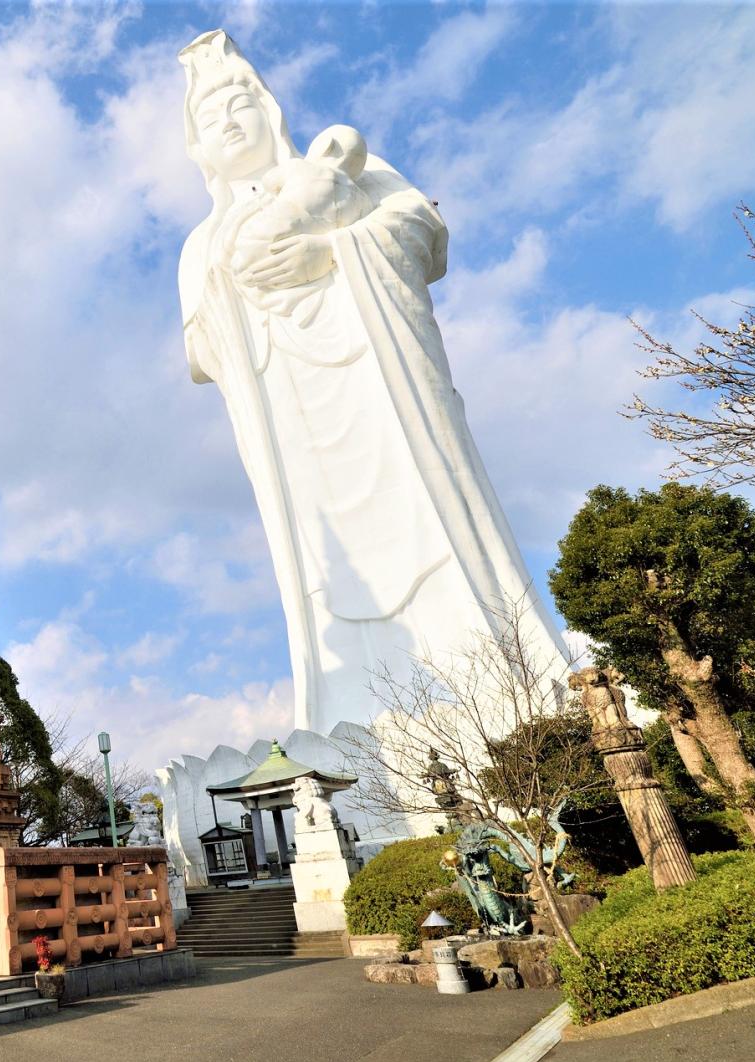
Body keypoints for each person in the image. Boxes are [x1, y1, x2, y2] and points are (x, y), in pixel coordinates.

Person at [178, 30, 569, 734]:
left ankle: (522, 695)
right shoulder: (201, 244)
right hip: (290, 420)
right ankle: (352, 725)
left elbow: (421, 233)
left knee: (438, 518)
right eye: (212, 118)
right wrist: (234, 283)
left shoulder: (356, 170)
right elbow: (201, 351)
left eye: (241, 103)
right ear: (198, 149)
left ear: (271, 113)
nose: (230, 121)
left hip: (386, 387)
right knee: (325, 568)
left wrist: (327, 248)